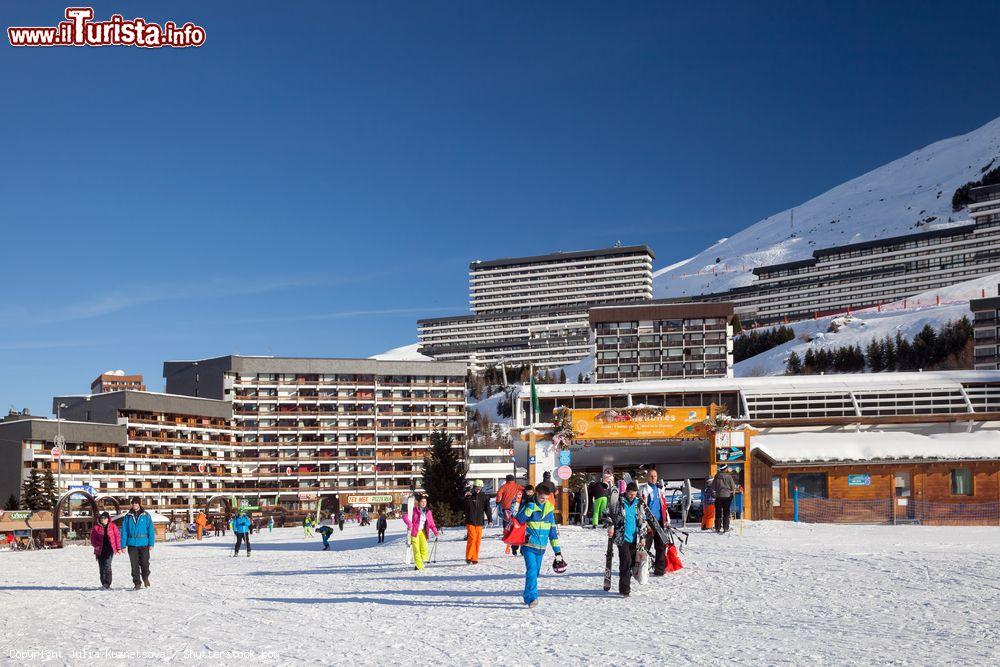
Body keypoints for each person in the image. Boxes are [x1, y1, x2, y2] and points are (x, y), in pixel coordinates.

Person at [515, 482, 563, 608]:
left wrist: (558, 552)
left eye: (546, 498)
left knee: (535, 573)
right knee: (531, 571)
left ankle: (527, 595)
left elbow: (553, 533)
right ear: (536, 494)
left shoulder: (549, 510)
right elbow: (519, 519)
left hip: (541, 548)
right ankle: (532, 598)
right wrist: (528, 509)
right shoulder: (529, 505)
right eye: (542, 498)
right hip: (529, 545)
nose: (544, 500)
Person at [607, 481, 646, 597]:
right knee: (626, 562)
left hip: (633, 538)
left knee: (632, 563)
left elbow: (642, 521)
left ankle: (625, 585)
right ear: (626, 492)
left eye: (634, 495)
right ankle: (625, 589)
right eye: (630, 494)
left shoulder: (638, 504)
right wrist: (611, 526)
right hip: (621, 537)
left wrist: (642, 537)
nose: (632, 497)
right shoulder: (619, 501)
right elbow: (609, 514)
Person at [120, 497, 155, 590]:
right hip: (132, 544)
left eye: (136, 503)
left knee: (145, 564)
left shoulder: (146, 515)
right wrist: (123, 545)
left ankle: (145, 577)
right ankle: (137, 583)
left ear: (139, 504)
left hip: (144, 543)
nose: (134, 504)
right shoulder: (127, 516)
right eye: (133, 503)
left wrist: (151, 543)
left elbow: (150, 530)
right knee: (134, 565)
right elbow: (124, 531)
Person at [639, 468, 668, 576]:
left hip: (660, 521)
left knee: (661, 545)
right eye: (651, 476)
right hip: (648, 522)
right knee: (646, 546)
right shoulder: (643, 489)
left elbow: (664, 506)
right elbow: (641, 507)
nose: (653, 478)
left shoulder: (660, 489)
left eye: (655, 476)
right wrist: (644, 522)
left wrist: (667, 520)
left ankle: (660, 569)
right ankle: (642, 568)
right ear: (647, 477)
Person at [402, 494, 438, 570]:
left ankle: (420, 562)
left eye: (425, 501)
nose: (424, 503)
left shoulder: (428, 512)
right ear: (419, 502)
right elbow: (404, 516)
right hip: (414, 532)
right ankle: (419, 566)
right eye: (422, 501)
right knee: (416, 549)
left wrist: (435, 531)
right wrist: (410, 524)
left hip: (423, 532)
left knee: (424, 549)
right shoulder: (414, 510)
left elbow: (431, 523)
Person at [462, 479, 493, 565]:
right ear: (474, 487)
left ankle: (474, 557)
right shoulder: (469, 496)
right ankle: (469, 556)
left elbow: (487, 509)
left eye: (480, 487)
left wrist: (490, 519)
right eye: (477, 487)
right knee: (472, 538)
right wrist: (466, 497)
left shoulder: (484, 497)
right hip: (470, 521)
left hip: (479, 522)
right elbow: (464, 505)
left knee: (477, 540)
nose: (478, 489)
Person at [89, 511, 122, 589]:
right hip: (100, 550)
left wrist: (118, 548)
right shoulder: (96, 528)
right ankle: (103, 583)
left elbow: (117, 537)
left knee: (107, 565)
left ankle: (107, 583)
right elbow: (93, 539)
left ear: (108, 519)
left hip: (109, 549)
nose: (103, 519)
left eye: (105, 518)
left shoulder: (113, 526)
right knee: (101, 567)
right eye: (102, 518)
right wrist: (96, 546)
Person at [510, 484, 534, 556]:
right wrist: (514, 514)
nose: (529, 494)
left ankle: (523, 550)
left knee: (526, 535)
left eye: (531, 492)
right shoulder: (520, 496)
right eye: (528, 492)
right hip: (519, 517)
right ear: (525, 491)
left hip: (529, 518)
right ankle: (514, 548)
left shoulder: (534, 498)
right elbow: (514, 505)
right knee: (517, 533)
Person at [712, 466, 737, 533]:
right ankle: (726, 528)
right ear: (725, 469)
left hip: (718, 496)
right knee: (726, 512)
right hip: (727, 496)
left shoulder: (716, 476)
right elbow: (733, 487)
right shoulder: (729, 476)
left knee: (718, 512)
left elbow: (713, 487)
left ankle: (717, 528)